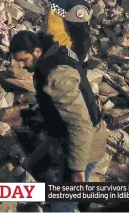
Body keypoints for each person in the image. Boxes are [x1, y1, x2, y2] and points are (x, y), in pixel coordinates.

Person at [10, 31, 107, 211]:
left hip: (85, 145)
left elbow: (81, 125)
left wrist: (77, 170)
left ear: (37, 51)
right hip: (67, 138)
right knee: (32, 164)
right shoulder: (52, 57)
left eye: (24, 60)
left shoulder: (58, 76)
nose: (22, 66)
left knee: (64, 203)